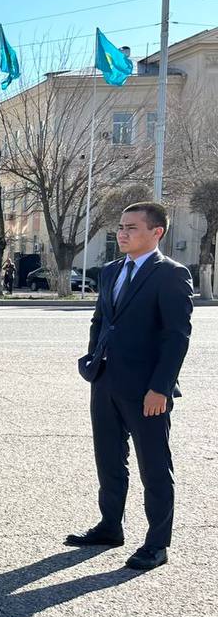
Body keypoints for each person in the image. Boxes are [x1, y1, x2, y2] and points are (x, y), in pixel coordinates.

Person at [70, 201, 193, 571]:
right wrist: (92, 359)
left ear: (156, 232)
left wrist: (161, 387)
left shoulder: (170, 274)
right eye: (121, 227)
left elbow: (177, 336)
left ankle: (157, 544)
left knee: (154, 465)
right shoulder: (110, 270)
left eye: (132, 228)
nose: (122, 233)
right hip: (105, 380)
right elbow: (101, 320)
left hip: (147, 389)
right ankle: (110, 526)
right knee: (108, 459)